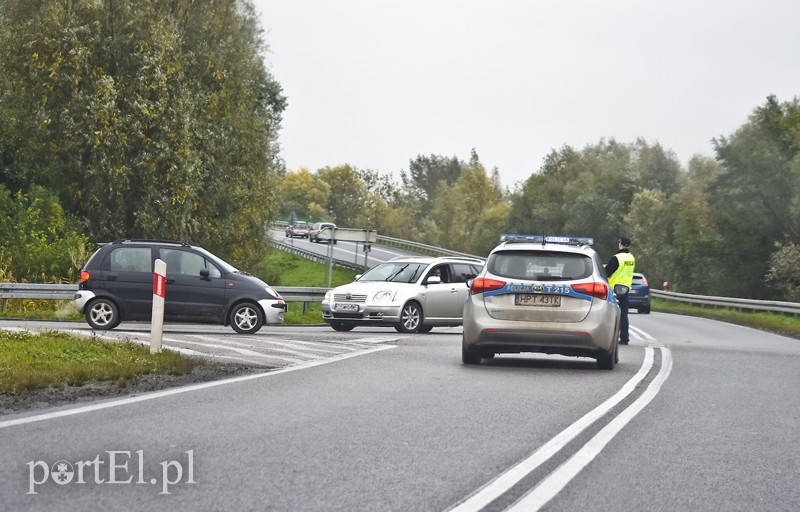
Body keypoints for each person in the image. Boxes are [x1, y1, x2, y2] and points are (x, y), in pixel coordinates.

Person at [606, 236, 636, 345]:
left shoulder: (616, 258)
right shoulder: (631, 258)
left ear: (620, 244)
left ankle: (610, 337)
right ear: (629, 246)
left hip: (614, 289)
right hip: (626, 289)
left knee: (611, 314)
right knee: (624, 315)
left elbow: (607, 273)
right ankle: (624, 338)